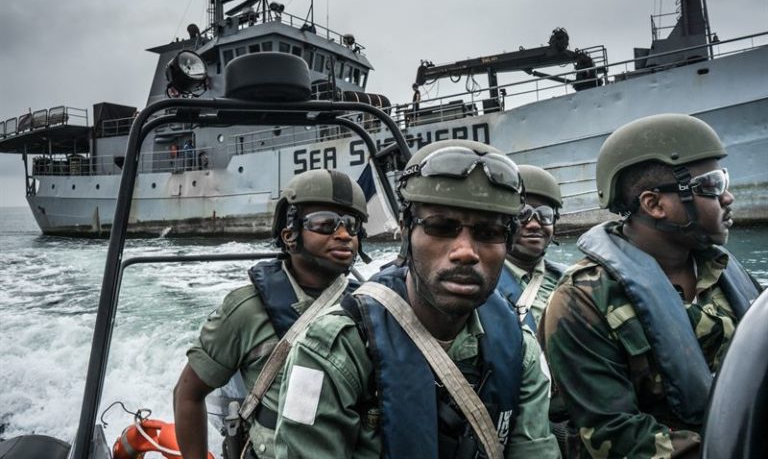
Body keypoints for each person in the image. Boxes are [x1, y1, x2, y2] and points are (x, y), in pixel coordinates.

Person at [274, 140, 560, 458]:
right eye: (441, 227)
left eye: (489, 232)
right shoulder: (335, 348)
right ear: (406, 231)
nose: (465, 252)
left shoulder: (520, 348)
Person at [541, 114, 763, 458]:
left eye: (725, 181)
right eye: (712, 186)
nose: (728, 197)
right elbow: (614, 432)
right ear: (654, 204)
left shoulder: (724, 270)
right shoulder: (582, 300)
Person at [174, 169, 370, 459]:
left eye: (351, 225)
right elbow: (188, 394)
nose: (343, 235)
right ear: (290, 235)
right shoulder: (246, 309)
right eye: (325, 223)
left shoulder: (369, 306)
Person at [497, 165, 565, 330]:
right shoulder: (483, 284)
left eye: (545, 214)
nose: (534, 224)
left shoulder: (567, 278)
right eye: (522, 214)